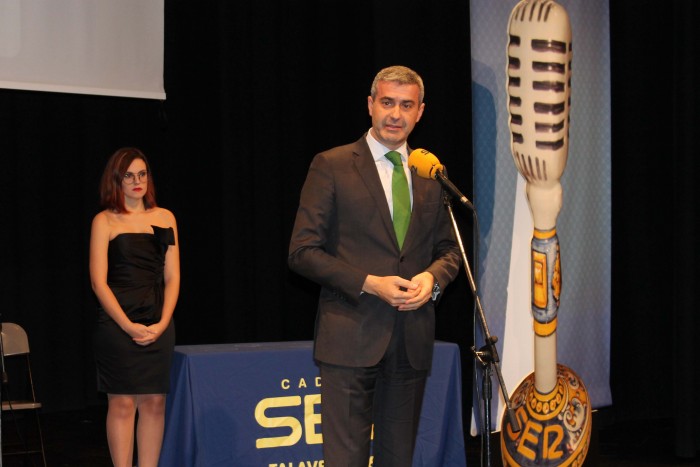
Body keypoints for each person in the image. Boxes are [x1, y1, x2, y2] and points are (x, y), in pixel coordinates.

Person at [288, 65, 461, 466]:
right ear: (370, 105)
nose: (395, 114)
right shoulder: (331, 165)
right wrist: (369, 282)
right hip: (350, 335)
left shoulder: (429, 172)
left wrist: (431, 280)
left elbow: (451, 251)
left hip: (411, 340)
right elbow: (302, 251)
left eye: (406, 105)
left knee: (397, 459)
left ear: (421, 112)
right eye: (387, 103)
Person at [89, 147, 180, 467]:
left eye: (142, 174)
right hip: (117, 325)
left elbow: (173, 276)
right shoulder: (104, 221)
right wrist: (127, 326)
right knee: (123, 404)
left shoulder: (165, 217)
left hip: (158, 322)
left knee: (155, 403)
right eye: (129, 175)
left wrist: (163, 321)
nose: (137, 181)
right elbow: (98, 283)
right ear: (117, 179)